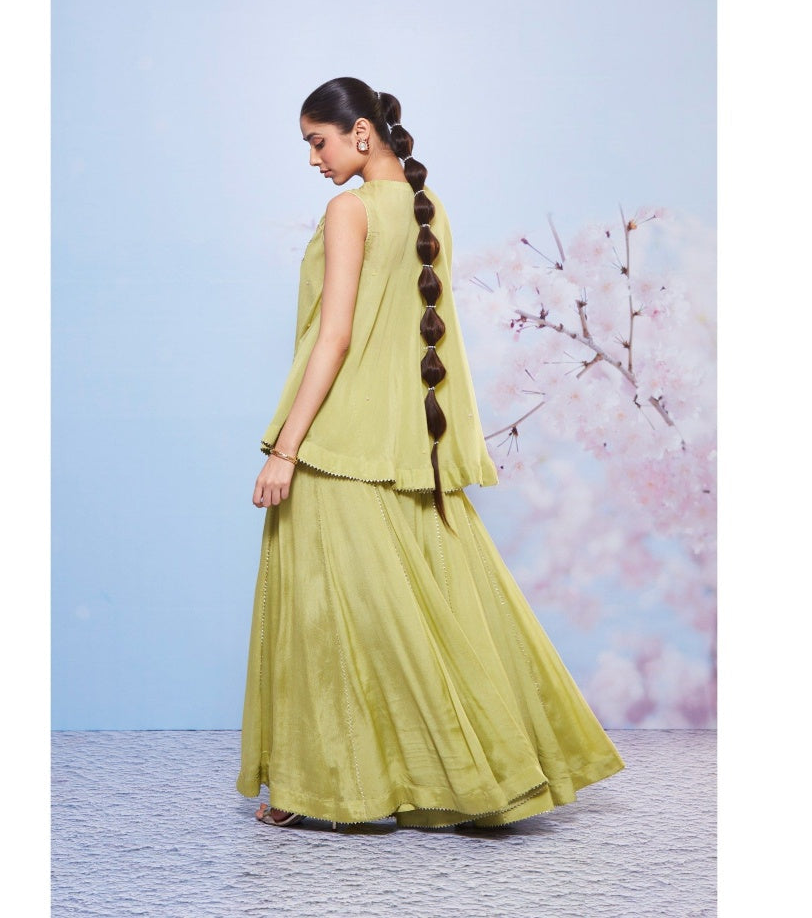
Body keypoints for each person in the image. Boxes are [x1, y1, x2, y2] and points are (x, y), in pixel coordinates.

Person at [236, 77, 624, 829]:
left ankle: (320, 786)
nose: (313, 160)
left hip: (338, 445)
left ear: (360, 133)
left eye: (317, 142)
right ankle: (486, 772)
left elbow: (335, 336)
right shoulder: (426, 207)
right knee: (435, 613)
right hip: (411, 446)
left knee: (329, 618)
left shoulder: (349, 211)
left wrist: (285, 448)